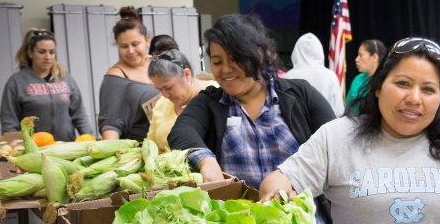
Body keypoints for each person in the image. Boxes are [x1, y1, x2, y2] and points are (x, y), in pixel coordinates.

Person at [259, 37, 440, 224]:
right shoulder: (339, 137)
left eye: (428, 89)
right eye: (402, 83)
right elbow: (281, 179)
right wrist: (277, 197)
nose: (414, 98)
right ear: (379, 87)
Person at [168, 13, 335, 188]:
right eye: (217, 62)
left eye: (235, 59)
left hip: (303, 212)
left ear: (260, 54)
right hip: (239, 214)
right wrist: (205, 160)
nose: (225, 69)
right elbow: (182, 131)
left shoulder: (300, 94)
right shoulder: (208, 102)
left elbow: (334, 142)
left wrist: (291, 178)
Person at [0, 29, 92, 141]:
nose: (47, 57)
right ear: (30, 53)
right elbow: (9, 121)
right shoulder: (16, 82)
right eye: (41, 52)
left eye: (52, 52)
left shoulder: (65, 78)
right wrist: (14, 144)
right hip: (34, 150)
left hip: (66, 147)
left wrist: (90, 139)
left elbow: (79, 114)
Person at [98, 6, 159, 141]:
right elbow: (110, 124)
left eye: (135, 44)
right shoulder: (116, 77)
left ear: (147, 40)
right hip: (137, 151)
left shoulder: (159, 64)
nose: (131, 51)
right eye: (124, 46)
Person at [147, 49, 217, 153]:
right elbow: (151, 145)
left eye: (169, 87)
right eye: (159, 89)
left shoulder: (215, 94)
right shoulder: (162, 103)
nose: (165, 95)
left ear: (187, 74)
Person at [284, 33, 344, 117]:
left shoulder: (288, 76)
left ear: (296, 51)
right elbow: (338, 110)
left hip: (296, 128)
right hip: (327, 127)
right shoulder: (330, 76)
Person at [346, 39, 386, 113]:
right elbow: (348, 108)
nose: (356, 59)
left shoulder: (386, 81)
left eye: (361, 55)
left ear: (374, 57)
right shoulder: (358, 79)